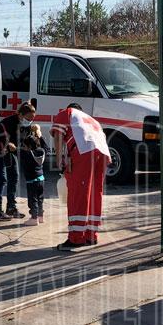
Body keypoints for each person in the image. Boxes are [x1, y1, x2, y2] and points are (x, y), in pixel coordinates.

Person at [51, 104, 110, 251]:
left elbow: (58, 136)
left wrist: (59, 161)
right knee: (94, 193)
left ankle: (76, 238)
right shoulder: (91, 120)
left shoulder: (67, 113)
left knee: (78, 193)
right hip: (102, 152)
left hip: (84, 151)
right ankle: (91, 235)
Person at [0, 103, 36, 221]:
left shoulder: (27, 126)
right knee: (1, 178)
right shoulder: (7, 123)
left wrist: (34, 137)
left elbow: (26, 141)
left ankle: (11, 208)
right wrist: (8, 144)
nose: (30, 121)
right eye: (28, 118)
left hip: (9, 152)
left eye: (32, 119)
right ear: (20, 114)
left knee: (14, 176)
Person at [20, 124, 49, 226]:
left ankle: (34, 218)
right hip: (41, 179)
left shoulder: (27, 155)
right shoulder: (42, 152)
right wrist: (39, 135)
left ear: (28, 147)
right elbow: (46, 147)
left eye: (24, 146)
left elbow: (17, 149)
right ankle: (40, 217)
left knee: (33, 200)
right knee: (40, 199)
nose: (23, 147)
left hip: (32, 181)